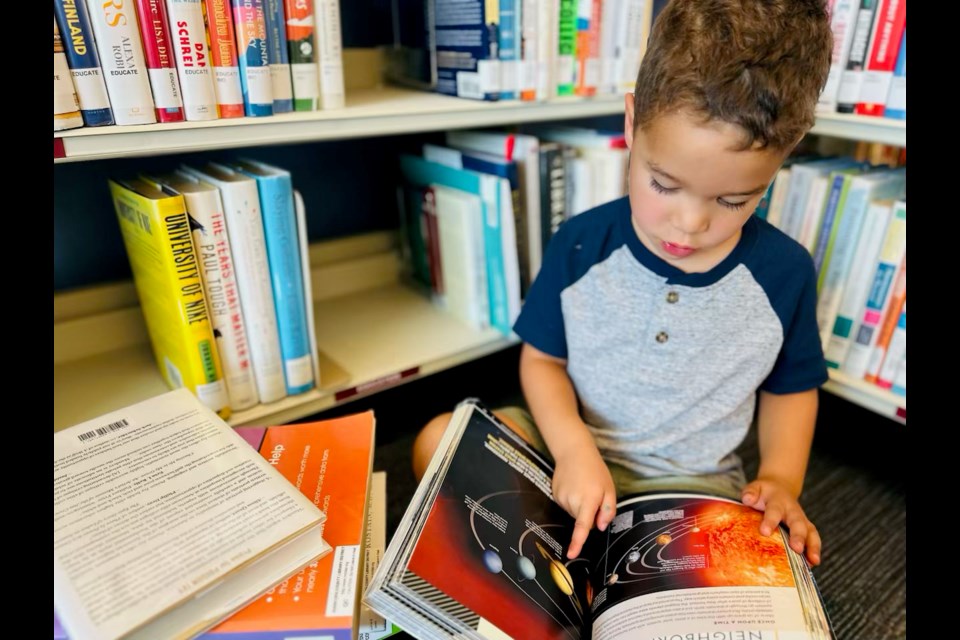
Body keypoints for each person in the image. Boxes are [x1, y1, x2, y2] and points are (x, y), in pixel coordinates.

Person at [413, 0, 833, 567]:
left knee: (733, 579)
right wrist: (572, 448)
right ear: (632, 124)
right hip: (562, 444)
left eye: (733, 200)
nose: (691, 224)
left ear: (781, 162)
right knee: (439, 441)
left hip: (691, 487)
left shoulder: (784, 272)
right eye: (664, 183)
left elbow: (791, 388)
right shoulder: (582, 244)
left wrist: (781, 478)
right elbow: (542, 363)